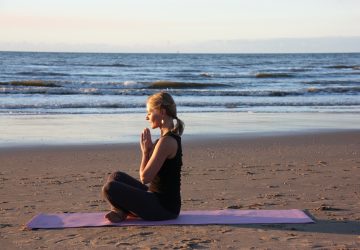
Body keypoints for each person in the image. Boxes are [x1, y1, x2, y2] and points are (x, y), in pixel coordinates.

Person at [102, 92, 185, 222]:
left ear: (162, 112)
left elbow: (145, 178)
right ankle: (120, 211)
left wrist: (145, 153)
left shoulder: (166, 142)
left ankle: (120, 211)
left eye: (150, 113)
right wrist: (149, 150)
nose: (147, 117)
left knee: (110, 188)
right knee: (116, 176)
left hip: (164, 208)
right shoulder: (165, 139)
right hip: (154, 196)